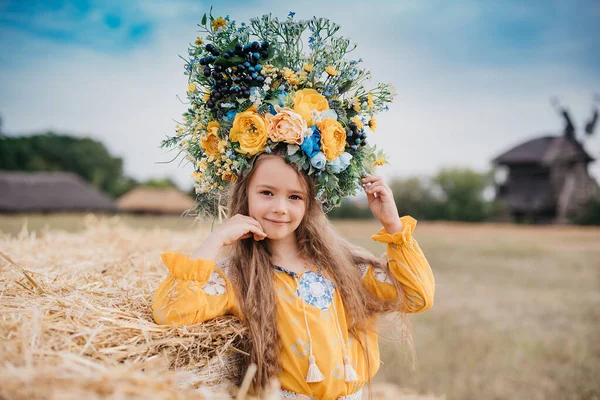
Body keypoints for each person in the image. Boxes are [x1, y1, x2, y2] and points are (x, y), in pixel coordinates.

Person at [152, 150, 435, 400]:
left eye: (295, 197)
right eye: (266, 193)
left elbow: (416, 296)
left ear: (309, 204)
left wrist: (392, 225)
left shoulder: (345, 268)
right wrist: (217, 239)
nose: (280, 207)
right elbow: (172, 311)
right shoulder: (237, 278)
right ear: (244, 194)